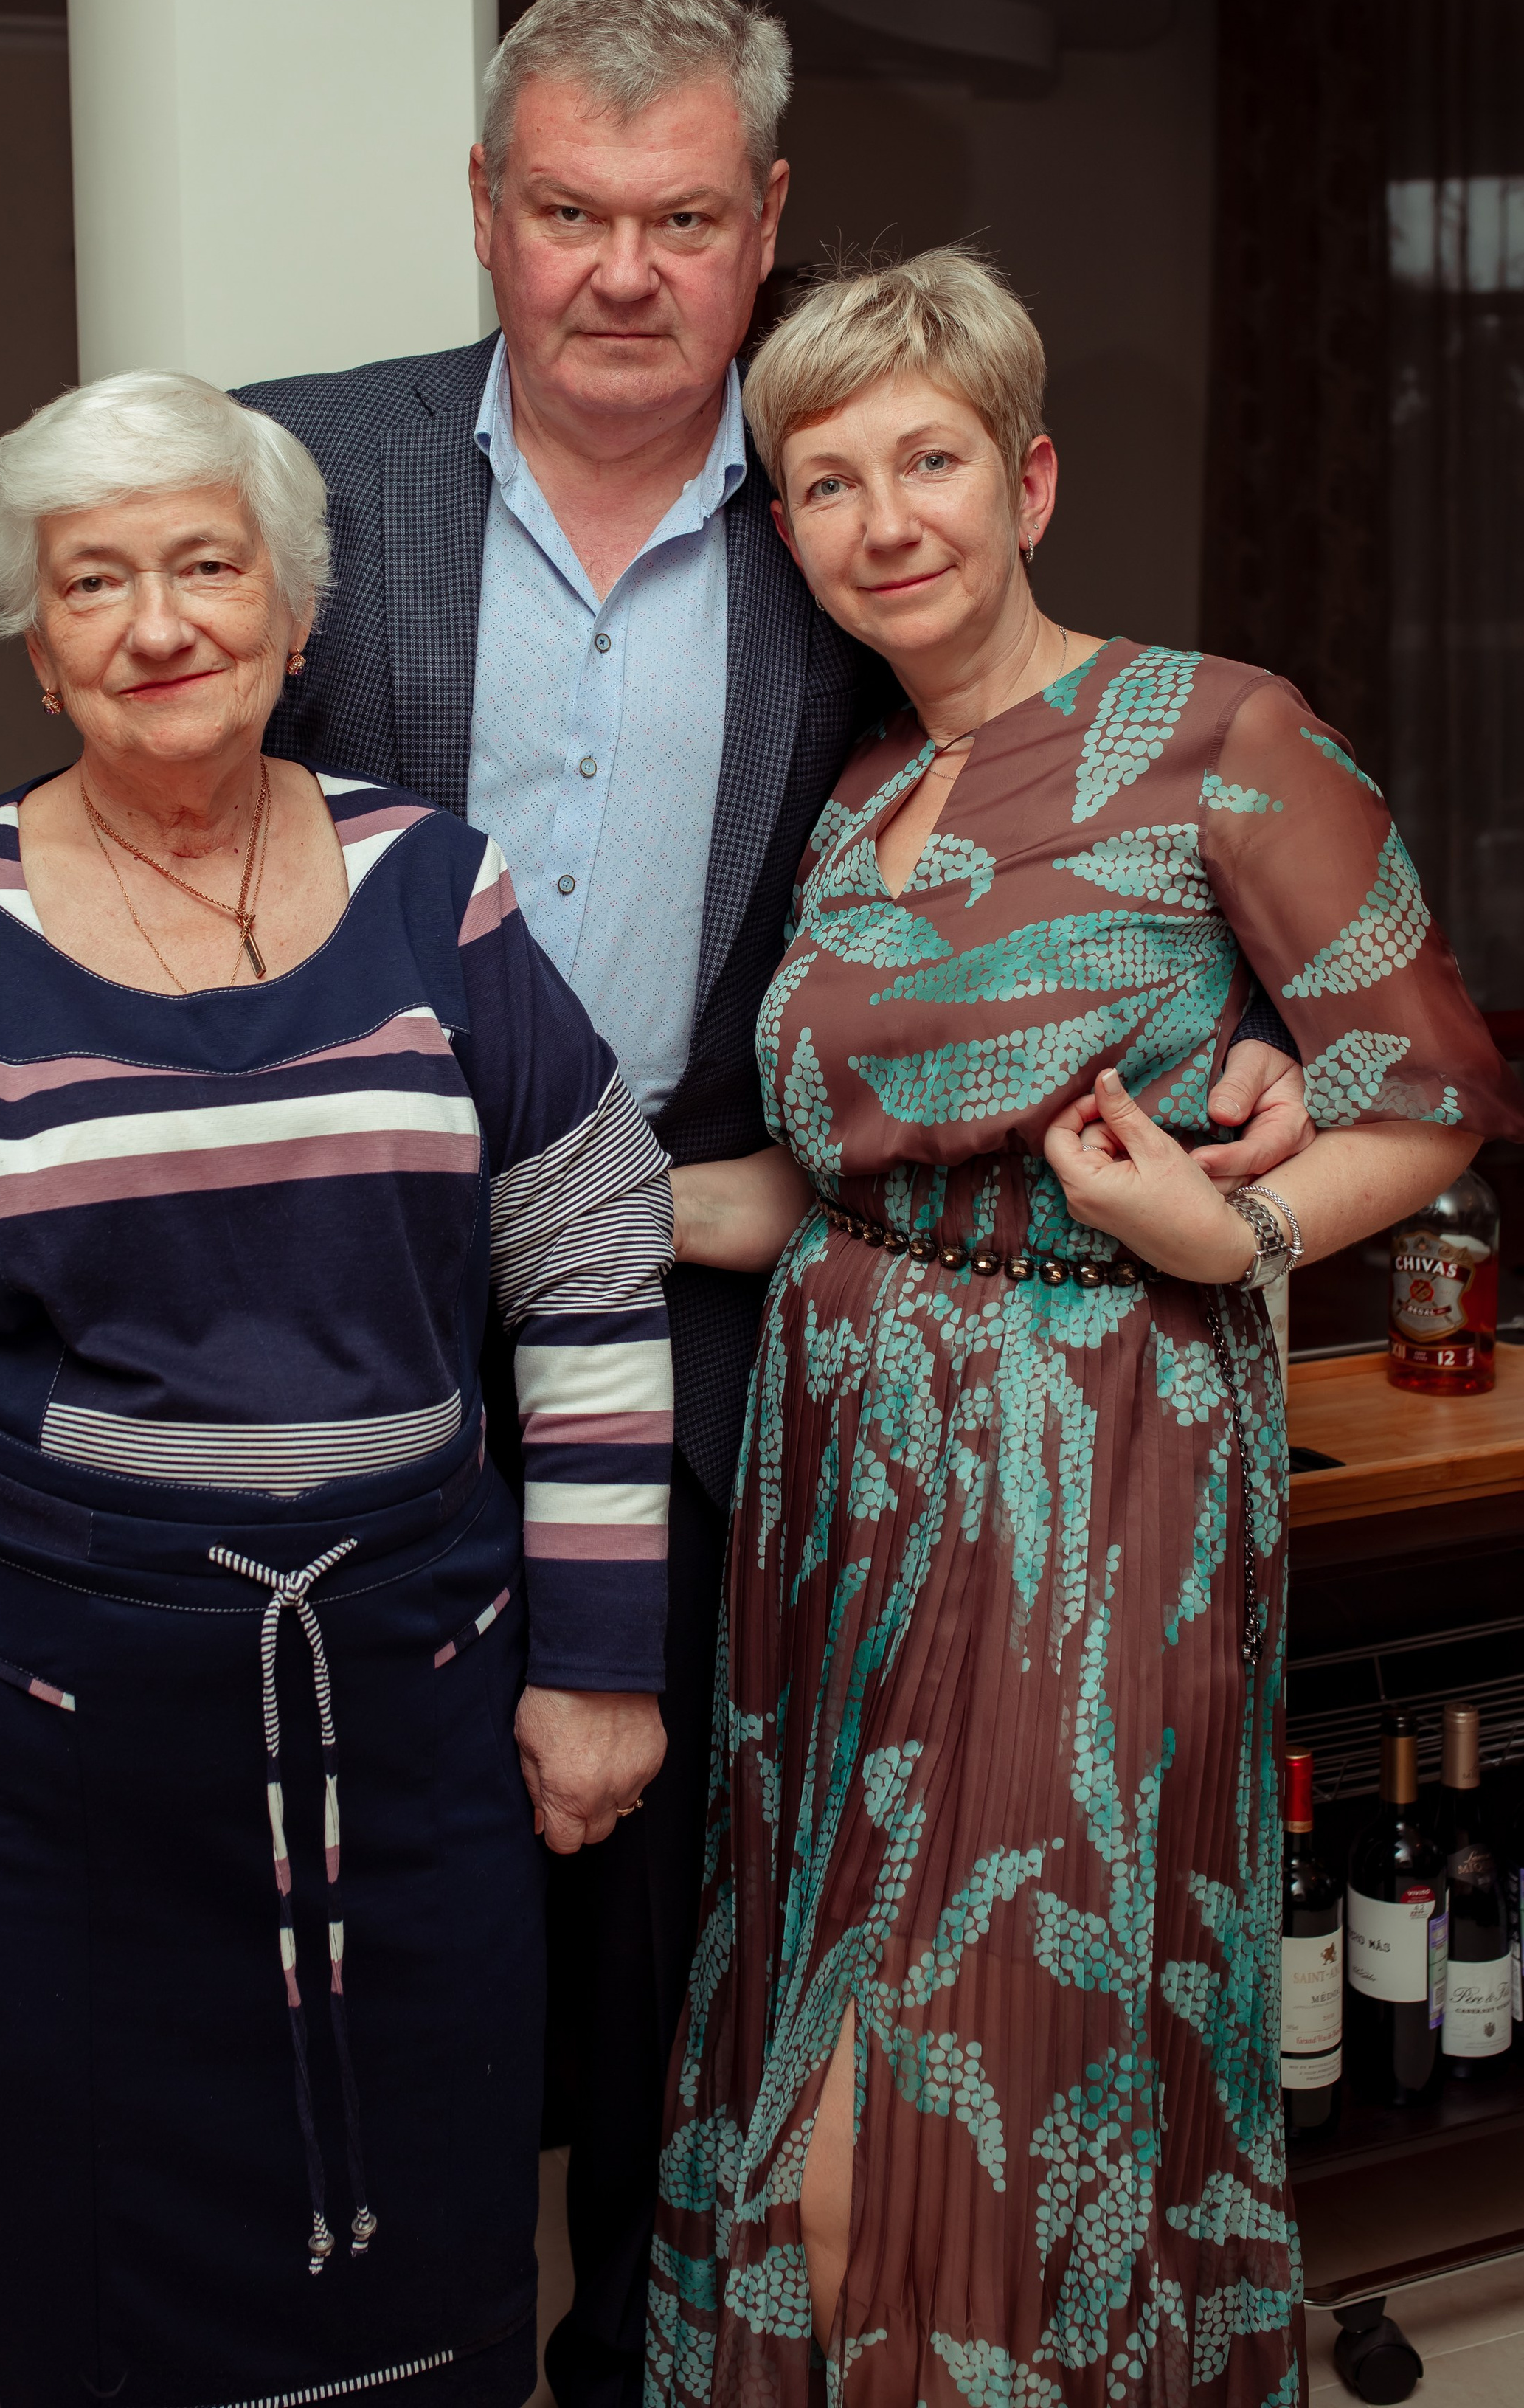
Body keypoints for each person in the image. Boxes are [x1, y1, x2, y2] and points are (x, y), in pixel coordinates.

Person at [235, 0, 1311, 2408]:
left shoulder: (850, 512)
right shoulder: (296, 484)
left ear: (767, 224)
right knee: (370, 1959)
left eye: (686, 215)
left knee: (692, 1996)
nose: (624, 268)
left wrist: (1232, 1049)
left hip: (750, 1395)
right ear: (486, 213)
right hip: (365, 1356)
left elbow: (1064, 835)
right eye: (569, 209)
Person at [0, 372, 676, 2408]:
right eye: (94, 581)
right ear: (38, 644)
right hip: (33, 1736)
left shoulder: (437, 891)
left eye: (207, 566)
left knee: (424, 2211)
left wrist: (595, 1654)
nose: (159, 623)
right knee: (65, 2241)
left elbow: (592, 1268)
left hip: (407, 1710)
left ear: (294, 617)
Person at [651, 252, 1524, 2408]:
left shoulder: (1225, 731)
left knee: (990, 2053)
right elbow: (819, 1177)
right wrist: (475, 1198)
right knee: (801, 2015)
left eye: (929, 457)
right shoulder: (854, 796)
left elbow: (1430, 1089)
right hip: (835, 1485)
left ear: (1028, 475)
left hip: (1090, 1476)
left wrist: (1231, 1227)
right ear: (786, 528)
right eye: (825, 477)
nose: (885, 516)